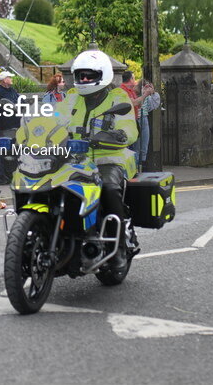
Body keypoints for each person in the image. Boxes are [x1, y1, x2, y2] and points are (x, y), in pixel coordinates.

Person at [56, 49, 138, 268]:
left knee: (109, 189)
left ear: (102, 75)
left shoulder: (117, 97)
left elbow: (129, 126)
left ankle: (119, 247)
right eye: (80, 75)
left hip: (109, 158)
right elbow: (54, 117)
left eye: (88, 76)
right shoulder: (72, 97)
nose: (83, 80)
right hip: (74, 159)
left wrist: (118, 134)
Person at [0, 71, 22, 185]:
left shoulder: (13, 91)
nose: (11, 79)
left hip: (17, 125)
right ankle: (6, 176)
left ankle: (15, 175)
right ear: (4, 80)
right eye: (9, 77)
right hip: (6, 126)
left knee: (16, 153)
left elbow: (21, 102)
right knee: (6, 153)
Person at [135, 80, 161, 172]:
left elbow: (154, 105)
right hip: (136, 120)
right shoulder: (135, 94)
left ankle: (143, 166)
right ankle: (136, 167)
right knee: (137, 146)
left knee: (144, 145)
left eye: (148, 86)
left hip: (144, 118)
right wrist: (144, 94)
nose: (147, 88)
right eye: (145, 86)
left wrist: (152, 92)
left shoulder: (148, 97)